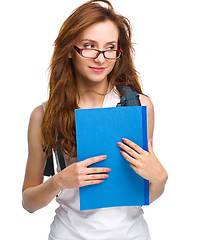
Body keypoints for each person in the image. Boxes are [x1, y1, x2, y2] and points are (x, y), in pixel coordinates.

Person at [22, 0, 168, 239]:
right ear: (70, 49)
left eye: (110, 47)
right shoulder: (43, 115)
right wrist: (58, 182)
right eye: (89, 46)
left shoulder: (139, 106)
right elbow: (29, 202)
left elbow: (141, 195)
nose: (101, 58)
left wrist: (160, 180)